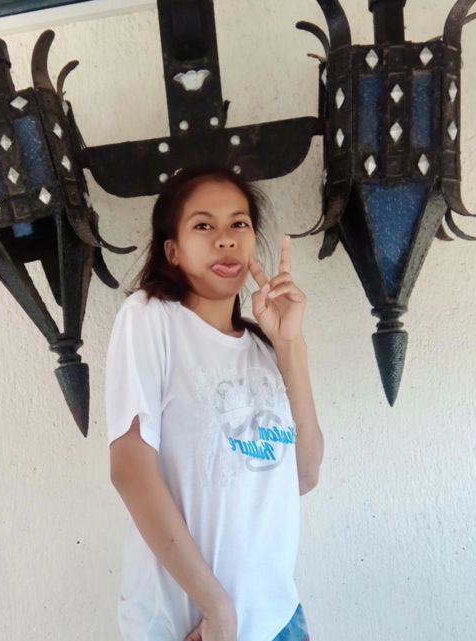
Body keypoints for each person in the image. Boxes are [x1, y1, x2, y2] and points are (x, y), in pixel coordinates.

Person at [105, 162, 324, 641]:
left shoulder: (265, 346)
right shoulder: (151, 319)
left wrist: (291, 345)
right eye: (203, 226)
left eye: (238, 224)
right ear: (173, 250)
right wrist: (219, 610)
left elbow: (304, 475)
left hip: (280, 618)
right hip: (193, 624)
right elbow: (129, 469)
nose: (225, 239)